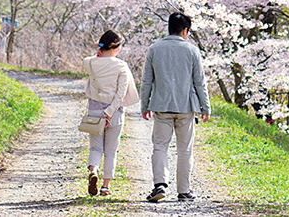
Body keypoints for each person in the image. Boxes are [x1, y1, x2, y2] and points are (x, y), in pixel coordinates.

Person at [140, 12, 211, 203]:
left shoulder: (155, 48)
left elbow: (147, 80)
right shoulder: (192, 50)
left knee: (160, 146)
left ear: (169, 27)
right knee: (185, 150)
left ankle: (160, 185)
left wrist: (144, 105)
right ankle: (184, 191)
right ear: (185, 30)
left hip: (161, 107)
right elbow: (199, 82)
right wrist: (205, 107)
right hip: (186, 107)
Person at [83, 29, 139, 196]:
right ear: (115, 46)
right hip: (114, 113)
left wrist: (98, 50)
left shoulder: (91, 62)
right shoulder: (121, 66)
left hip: (94, 110)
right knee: (111, 150)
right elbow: (121, 93)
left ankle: (93, 171)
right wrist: (109, 112)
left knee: (95, 147)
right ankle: (106, 187)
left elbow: (89, 58)